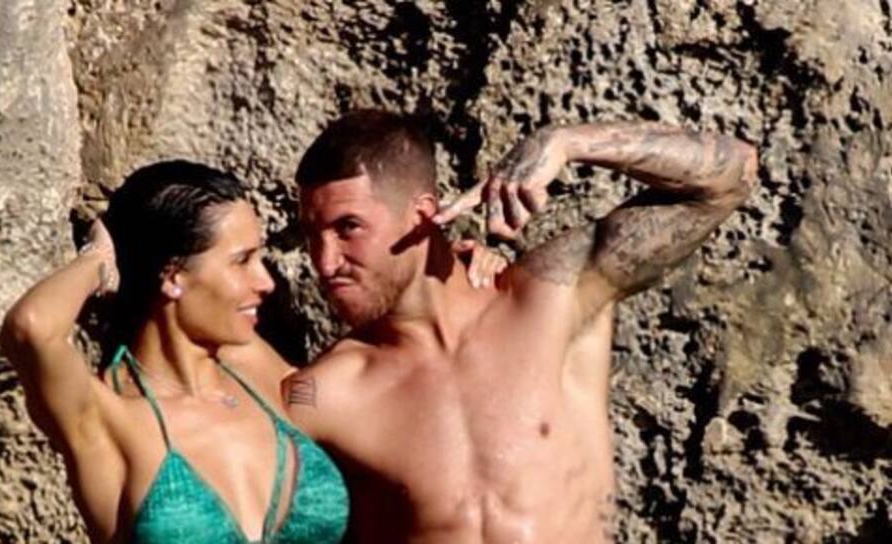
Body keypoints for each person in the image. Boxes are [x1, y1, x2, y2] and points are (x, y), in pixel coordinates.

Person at [284, 110, 759, 543]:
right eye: (311, 235)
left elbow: (732, 174)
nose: (324, 262)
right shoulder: (319, 394)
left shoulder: (552, 299)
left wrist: (566, 141)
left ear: (422, 217)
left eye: (347, 228)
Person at [0, 160, 503, 543]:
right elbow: (32, 328)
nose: (266, 281)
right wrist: (100, 259)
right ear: (173, 277)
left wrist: (448, 278)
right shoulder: (108, 420)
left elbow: (381, 384)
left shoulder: (270, 382)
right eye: (242, 261)